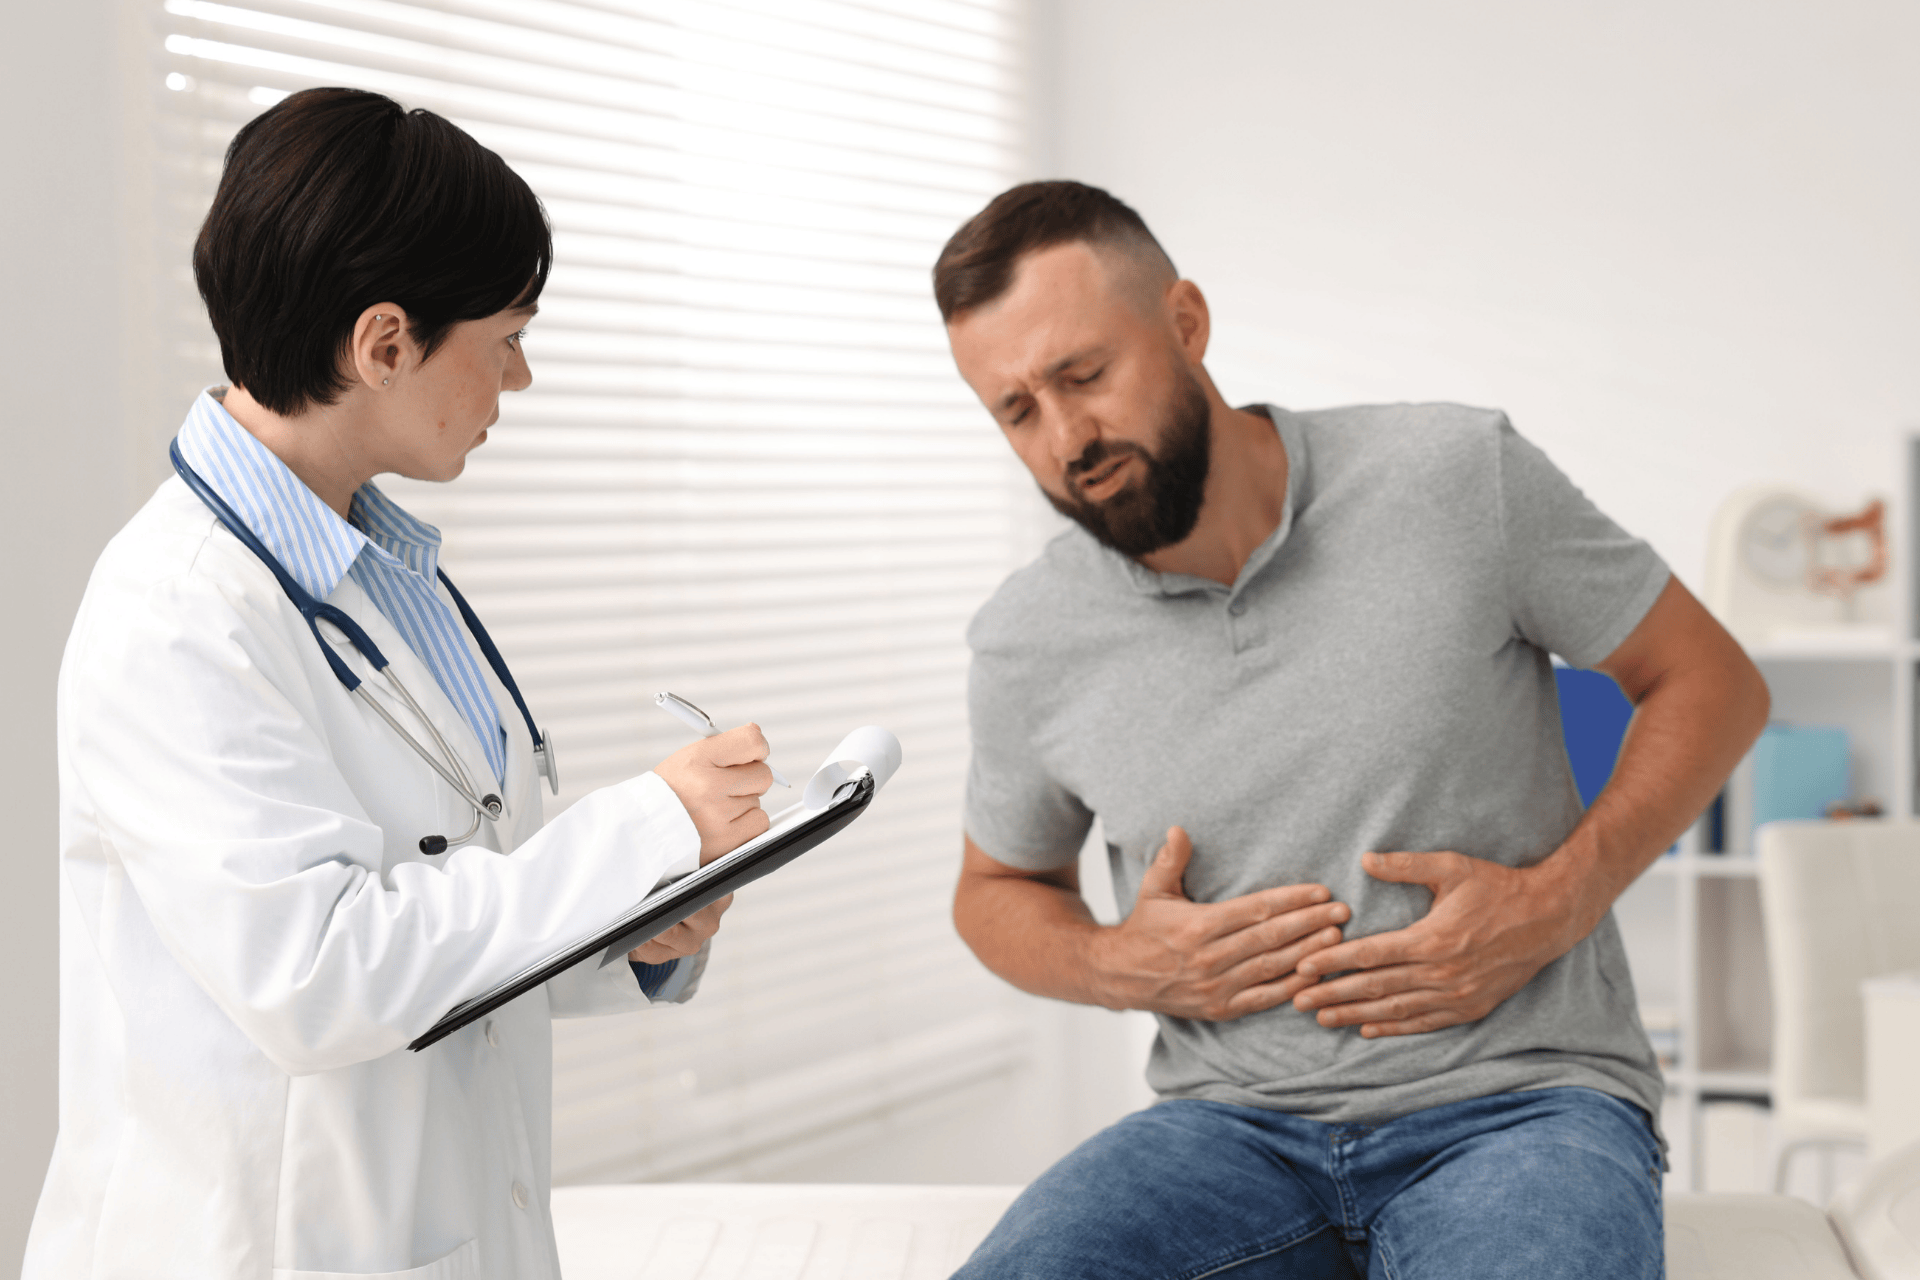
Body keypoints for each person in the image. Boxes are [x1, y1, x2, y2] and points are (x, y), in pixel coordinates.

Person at [936, 181, 1769, 1279]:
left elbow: (1710, 680)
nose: (1067, 437)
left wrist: (1558, 898)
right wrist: (1115, 960)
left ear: (1185, 322)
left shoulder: (1457, 476)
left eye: (1084, 375)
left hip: (1517, 1106)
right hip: (1223, 1131)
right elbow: (996, 888)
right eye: (1018, 410)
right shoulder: (1027, 638)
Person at [24, 88, 775, 1280]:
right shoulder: (175, 616)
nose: (518, 379)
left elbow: (455, 897)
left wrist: (629, 931)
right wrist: (639, 827)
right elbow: (316, 972)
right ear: (384, 344)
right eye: (507, 337)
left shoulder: (381, 576)